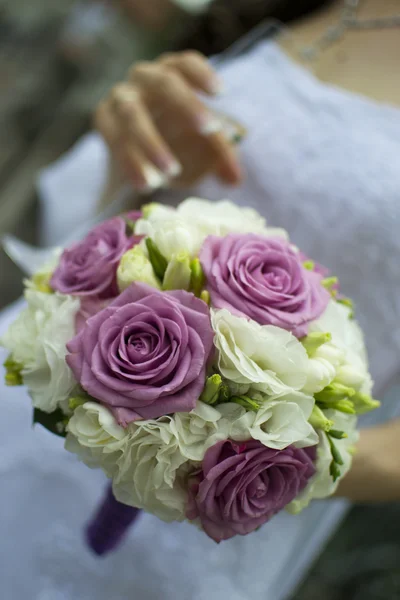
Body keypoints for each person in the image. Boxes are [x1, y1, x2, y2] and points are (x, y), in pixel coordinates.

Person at [1, 1, 400, 599]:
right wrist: (132, 148)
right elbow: (125, 209)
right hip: (35, 404)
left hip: (204, 520)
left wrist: (264, 459)